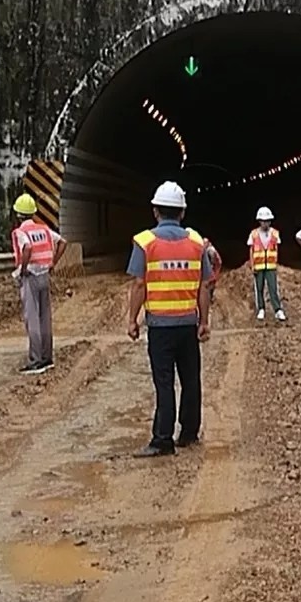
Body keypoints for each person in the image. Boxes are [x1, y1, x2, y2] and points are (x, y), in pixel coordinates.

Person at [127, 181, 212, 457]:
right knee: (190, 378)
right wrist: (204, 322)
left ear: (155, 211)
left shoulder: (145, 243)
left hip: (160, 327)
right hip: (187, 324)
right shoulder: (197, 243)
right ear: (183, 212)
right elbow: (205, 286)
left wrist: (133, 319)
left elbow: (139, 284)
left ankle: (163, 439)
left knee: (164, 382)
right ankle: (188, 433)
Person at [11, 193, 66, 374]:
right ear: (33, 213)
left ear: (19, 215)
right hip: (44, 275)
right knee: (45, 317)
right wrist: (53, 263)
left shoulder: (21, 232)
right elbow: (62, 242)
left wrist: (24, 268)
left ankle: (36, 360)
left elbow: (26, 248)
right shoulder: (43, 230)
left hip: (31, 276)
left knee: (32, 318)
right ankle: (47, 357)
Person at [248, 207, 285, 321]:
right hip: (258, 266)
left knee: (273, 288)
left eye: (268, 221)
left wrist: (276, 263)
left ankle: (277, 309)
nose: (265, 223)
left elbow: (277, 249)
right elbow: (251, 250)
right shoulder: (254, 234)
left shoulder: (274, 233)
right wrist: (252, 265)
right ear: (259, 221)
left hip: (270, 266)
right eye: (263, 221)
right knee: (259, 288)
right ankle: (261, 309)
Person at [203, 236, 223, 301]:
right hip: (215, 267)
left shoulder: (210, 250)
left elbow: (213, 262)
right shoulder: (209, 249)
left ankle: (209, 298)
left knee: (210, 283)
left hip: (215, 268)